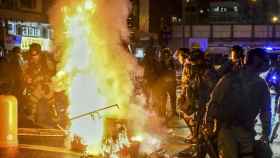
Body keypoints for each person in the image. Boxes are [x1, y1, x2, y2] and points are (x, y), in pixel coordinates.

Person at [206, 48, 271, 158]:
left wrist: (266, 133)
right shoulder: (231, 79)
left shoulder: (259, 84)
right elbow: (214, 101)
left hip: (243, 131)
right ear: (257, 62)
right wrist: (209, 123)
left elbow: (266, 111)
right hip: (230, 131)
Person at [156, 48, 177, 118]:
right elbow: (159, 74)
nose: (166, 57)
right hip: (163, 84)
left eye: (167, 55)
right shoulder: (160, 64)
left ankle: (174, 112)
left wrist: (173, 80)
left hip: (171, 84)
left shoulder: (172, 63)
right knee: (163, 99)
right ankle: (163, 112)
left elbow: (174, 72)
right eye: (165, 55)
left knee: (173, 98)